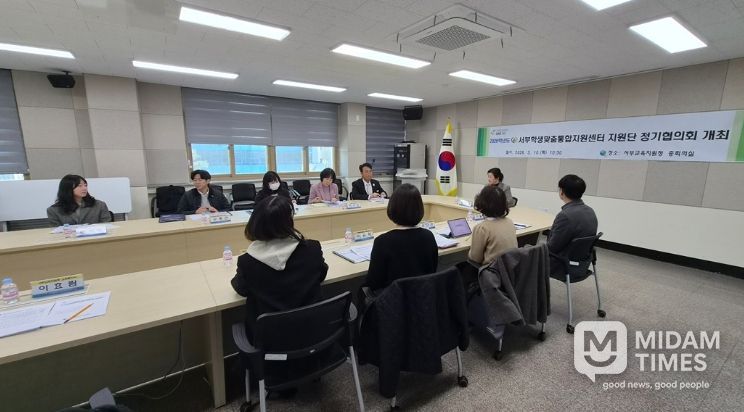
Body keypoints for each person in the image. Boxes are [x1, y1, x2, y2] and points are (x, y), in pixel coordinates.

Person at [230, 195, 328, 340]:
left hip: (270, 339)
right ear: (289, 222)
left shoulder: (248, 262)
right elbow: (321, 273)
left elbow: (241, 289)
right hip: (313, 333)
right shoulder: (312, 249)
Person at [365, 183, 438, 291]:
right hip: (423, 296)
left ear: (392, 207)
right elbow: (433, 270)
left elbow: (374, 282)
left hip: (393, 299)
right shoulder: (428, 236)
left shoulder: (383, 242)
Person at [548, 174, 598, 280]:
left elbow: (552, 248)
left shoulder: (565, 216)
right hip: (582, 265)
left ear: (562, 192)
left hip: (563, 266)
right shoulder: (590, 211)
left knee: (526, 253)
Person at [468, 185, 518, 266]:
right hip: (511, 268)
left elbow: (475, 258)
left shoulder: (482, 228)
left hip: (491, 271)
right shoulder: (510, 222)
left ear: (482, 203)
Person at [47, 174, 112, 227]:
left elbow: (107, 225)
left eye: (85, 185)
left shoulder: (99, 205)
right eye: (80, 186)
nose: (84, 188)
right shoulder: (54, 210)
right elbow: (55, 231)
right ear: (68, 189)